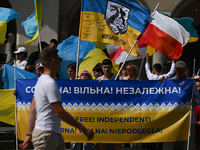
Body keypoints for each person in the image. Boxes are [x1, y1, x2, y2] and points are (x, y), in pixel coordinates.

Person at [19, 47, 94, 150]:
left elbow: (33, 108)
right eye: (60, 59)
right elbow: (60, 112)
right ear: (53, 61)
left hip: (51, 133)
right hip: (46, 134)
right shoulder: (50, 83)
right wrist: (83, 129)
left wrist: (29, 134)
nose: (61, 62)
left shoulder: (40, 81)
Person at [162, 60, 199, 150]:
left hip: (187, 118)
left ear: (185, 70)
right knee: (169, 143)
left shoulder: (191, 82)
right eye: (177, 69)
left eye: (181, 69)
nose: (179, 72)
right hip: (172, 118)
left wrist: (194, 101)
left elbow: (197, 97)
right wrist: (160, 82)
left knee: (189, 144)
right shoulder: (169, 82)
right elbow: (162, 95)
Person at [97, 59, 122, 150]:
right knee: (102, 138)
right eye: (104, 67)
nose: (106, 69)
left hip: (116, 113)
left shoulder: (119, 79)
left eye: (108, 67)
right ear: (102, 68)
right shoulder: (98, 80)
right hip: (102, 113)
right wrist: (96, 83)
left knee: (116, 139)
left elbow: (133, 84)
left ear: (111, 67)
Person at [71, 70, 93, 150]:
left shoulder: (94, 86)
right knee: (74, 139)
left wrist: (98, 82)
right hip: (76, 115)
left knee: (87, 141)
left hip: (88, 116)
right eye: (82, 74)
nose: (84, 75)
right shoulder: (74, 85)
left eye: (86, 74)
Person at [194, 80, 200, 150]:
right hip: (194, 121)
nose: (198, 88)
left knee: (199, 141)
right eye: (197, 86)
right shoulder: (193, 96)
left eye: (199, 86)